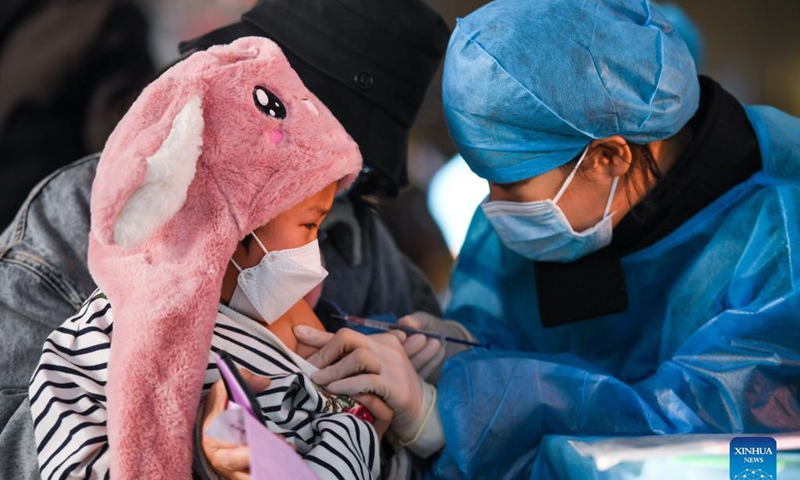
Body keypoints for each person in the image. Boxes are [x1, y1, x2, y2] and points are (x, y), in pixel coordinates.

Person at [307, 0, 800, 478]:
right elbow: (525, 341)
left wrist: (450, 421)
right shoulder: (556, 214)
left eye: (511, 184)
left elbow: (706, 452)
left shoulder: (779, 243)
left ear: (608, 158)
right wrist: (464, 347)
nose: (493, 207)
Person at [0, 0, 448, 478]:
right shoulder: (77, 222)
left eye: (351, 173)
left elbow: (432, 439)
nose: (335, 182)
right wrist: (187, 447)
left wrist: (407, 417)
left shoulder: (363, 247)